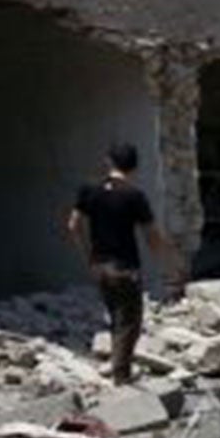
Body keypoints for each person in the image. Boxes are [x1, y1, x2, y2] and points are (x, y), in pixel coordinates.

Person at [67, 142, 178, 383]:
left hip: (100, 266)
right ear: (134, 166)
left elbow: (73, 225)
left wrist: (88, 255)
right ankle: (121, 380)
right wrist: (169, 265)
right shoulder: (134, 195)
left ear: (109, 161)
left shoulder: (89, 190)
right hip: (125, 268)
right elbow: (152, 237)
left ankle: (119, 373)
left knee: (115, 318)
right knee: (129, 324)